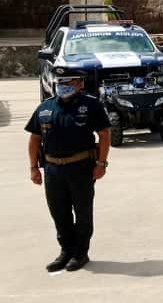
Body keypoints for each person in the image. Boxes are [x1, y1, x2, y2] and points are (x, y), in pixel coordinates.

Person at [25, 68, 110, 272]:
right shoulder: (45, 108)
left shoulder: (91, 105)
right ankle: (65, 250)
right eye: (60, 81)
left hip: (81, 167)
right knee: (58, 212)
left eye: (68, 82)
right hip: (53, 169)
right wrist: (33, 168)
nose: (63, 85)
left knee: (82, 212)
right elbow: (35, 139)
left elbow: (105, 134)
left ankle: (81, 253)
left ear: (80, 84)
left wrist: (101, 163)